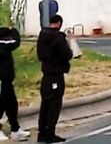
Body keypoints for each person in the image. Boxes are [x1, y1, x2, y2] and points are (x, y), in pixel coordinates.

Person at [36, 14, 72, 143]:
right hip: (56, 75)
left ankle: (42, 133)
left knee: (45, 104)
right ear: (58, 23)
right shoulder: (58, 38)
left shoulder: (42, 36)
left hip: (46, 75)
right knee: (54, 105)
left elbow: (40, 55)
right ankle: (50, 133)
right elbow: (67, 54)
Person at [0, 25, 29, 141]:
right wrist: (13, 30)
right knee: (1, 104)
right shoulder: (3, 44)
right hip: (1, 79)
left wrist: (7, 29)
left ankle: (15, 129)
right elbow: (15, 42)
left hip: (6, 79)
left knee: (12, 104)